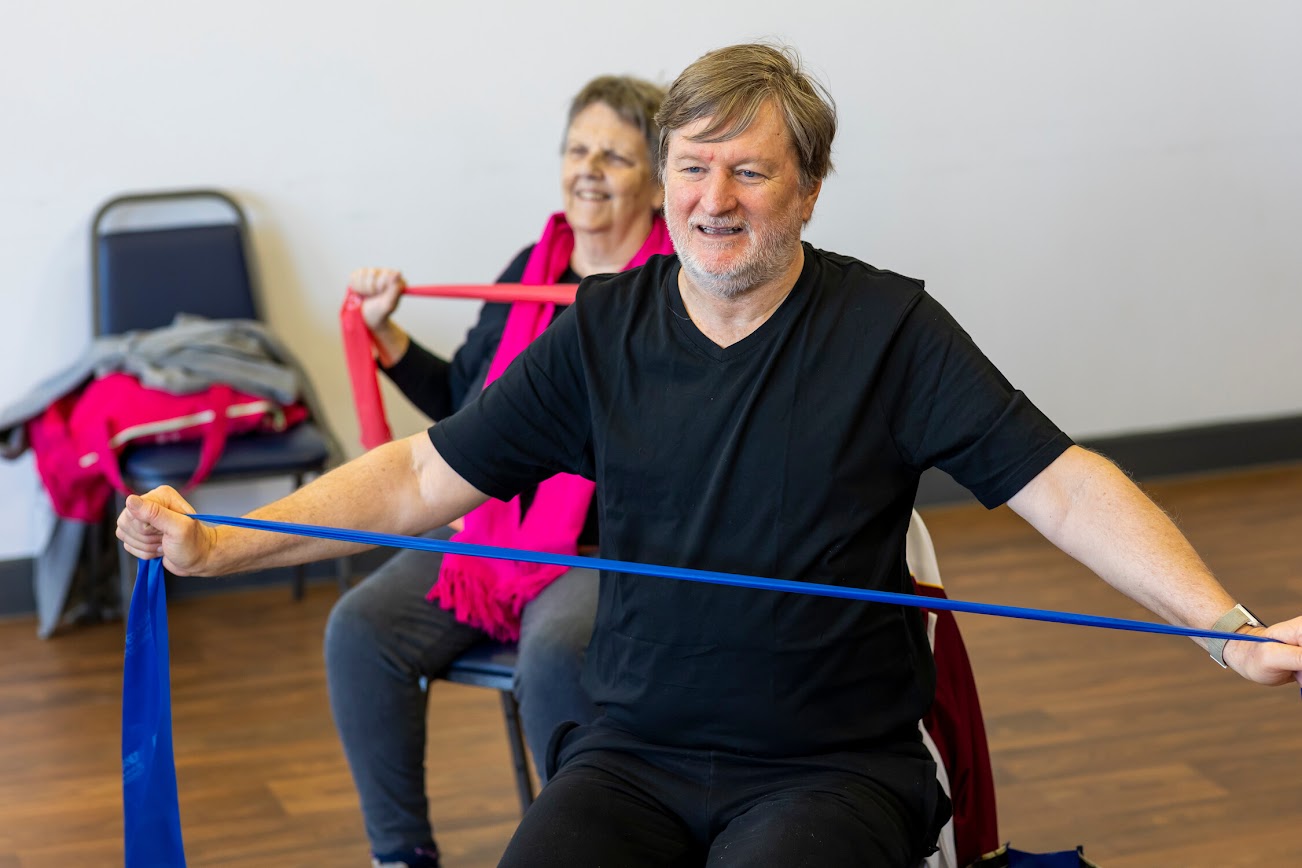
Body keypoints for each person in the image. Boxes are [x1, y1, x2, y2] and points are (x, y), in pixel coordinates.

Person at [118, 43, 1302, 868]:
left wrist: (1221, 623)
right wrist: (225, 543)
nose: (711, 197)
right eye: (691, 163)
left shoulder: (890, 330)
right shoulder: (606, 327)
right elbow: (427, 474)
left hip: (830, 767)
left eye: (749, 168)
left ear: (809, 190)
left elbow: (1061, 483)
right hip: (630, 756)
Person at [327, 74, 671, 868]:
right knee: (360, 628)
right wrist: (388, 340)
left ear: (655, 180)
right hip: (493, 543)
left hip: (603, 550)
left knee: (556, 654)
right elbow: (466, 404)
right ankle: (400, 854)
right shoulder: (531, 265)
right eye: (577, 148)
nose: (588, 167)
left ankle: (579, 853)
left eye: (614, 156)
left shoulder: (671, 287)